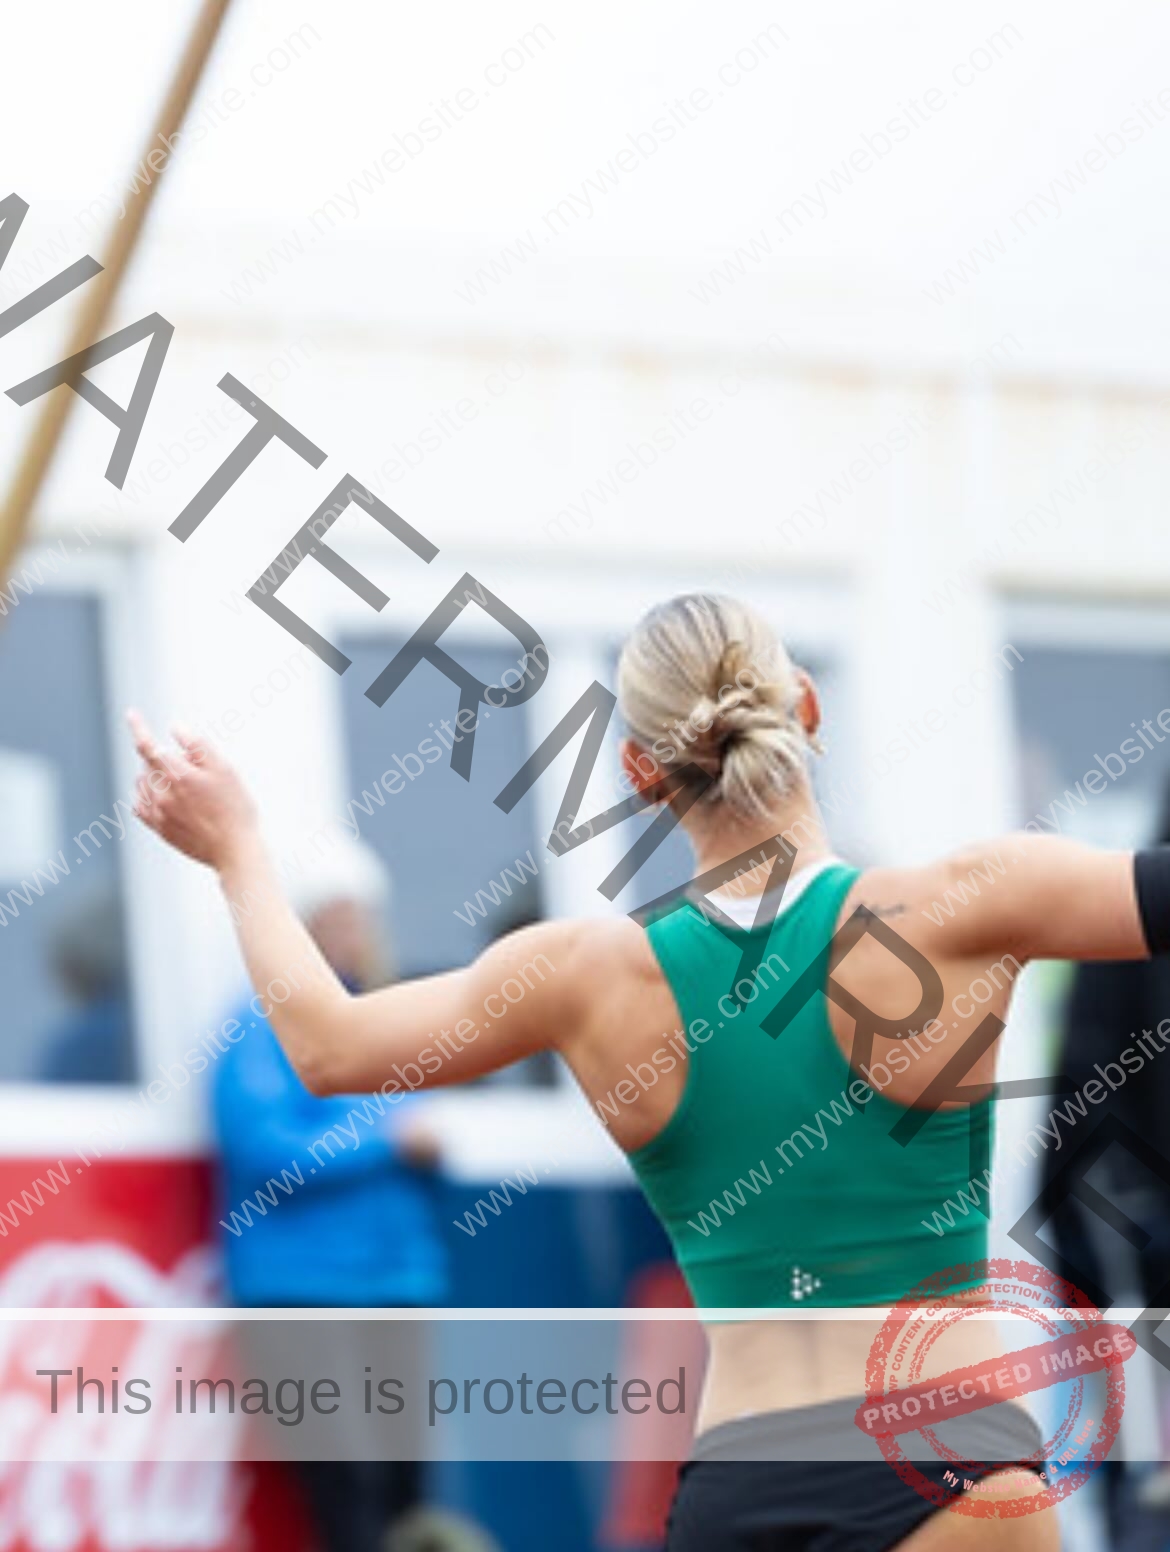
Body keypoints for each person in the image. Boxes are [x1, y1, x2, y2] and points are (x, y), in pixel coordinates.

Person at [127, 591, 1163, 1552]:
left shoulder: (585, 973)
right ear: (806, 708)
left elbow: (327, 1045)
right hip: (948, 1454)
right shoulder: (963, 902)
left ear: (637, 771)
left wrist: (238, 854)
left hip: (740, 1483)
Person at [211, 836, 447, 1552]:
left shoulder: (380, 1020)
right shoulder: (260, 1026)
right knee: (348, 1495)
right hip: (302, 1299)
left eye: (362, 917)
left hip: (394, 1289)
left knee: (405, 1495)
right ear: (306, 924)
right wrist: (388, 1145)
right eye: (340, 918)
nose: (357, 934)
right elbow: (262, 1149)